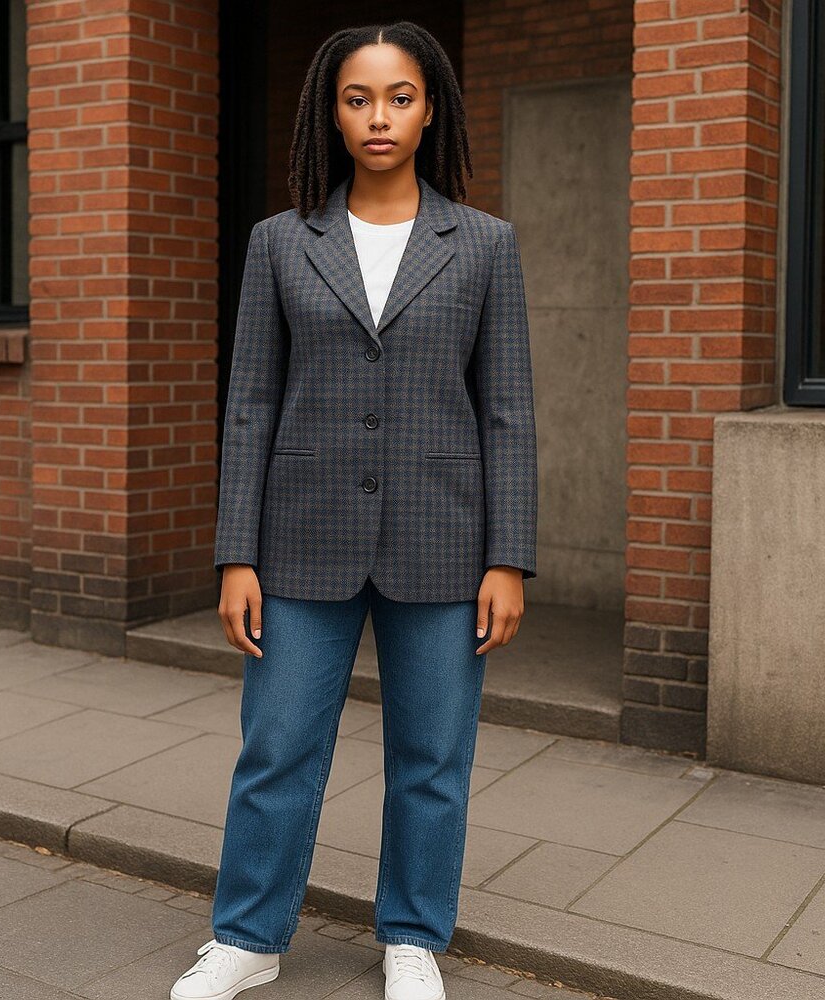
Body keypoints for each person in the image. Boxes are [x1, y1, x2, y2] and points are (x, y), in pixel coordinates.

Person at [170, 19, 537, 1000]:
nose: (379, 116)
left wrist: (508, 556)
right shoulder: (280, 242)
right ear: (330, 115)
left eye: (400, 97)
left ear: (431, 110)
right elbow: (250, 403)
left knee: (432, 756)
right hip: (299, 541)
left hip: (444, 541)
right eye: (358, 98)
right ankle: (248, 936)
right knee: (276, 747)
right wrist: (235, 553)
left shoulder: (484, 244)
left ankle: (412, 936)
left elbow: (507, 408)